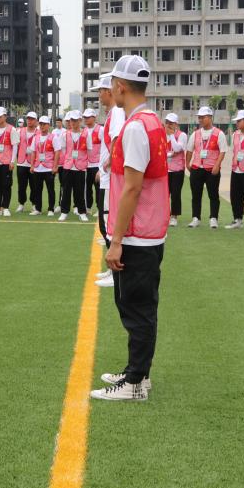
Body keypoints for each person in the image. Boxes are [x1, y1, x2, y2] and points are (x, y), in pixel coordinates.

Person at [92, 54, 167, 402]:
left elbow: (133, 188)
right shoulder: (150, 122)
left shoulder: (137, 127)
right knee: (136, 306)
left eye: (112, 84)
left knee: (136, 308)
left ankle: (135, 382)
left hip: (139, 233)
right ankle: (137, 372)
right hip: (147, 229)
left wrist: (116, 240)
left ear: (120, 86)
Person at [94, 74, 128, 287]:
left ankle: (116, 273)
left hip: (111, 179)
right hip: (107, 177)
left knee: (108, 223)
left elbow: (117, 139)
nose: (99, 95)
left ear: (109, 91)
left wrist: (108, 164)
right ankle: (112, 270)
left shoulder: (116, 112)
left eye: (100, 91)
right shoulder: (113, 113)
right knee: (105, 222)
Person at [185, 106, 227, 229]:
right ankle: (196, 218)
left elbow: (222, 151)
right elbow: (189, 150)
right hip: (197, 168)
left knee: (213, 195)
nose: (200, 120)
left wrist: (217, 165)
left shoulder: (219, 133)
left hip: (211, 169)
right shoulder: (195, 134)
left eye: (203, 117)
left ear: (210, 118)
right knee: (196, 195)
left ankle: (213, 218)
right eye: (199, 117)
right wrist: (187, 163)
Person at [58, 111, 90, 222]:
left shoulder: (86, 134)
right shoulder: (65, 134)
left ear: (80, 121)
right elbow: (63, 149)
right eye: (71, 120)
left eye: (75, 120)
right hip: (68, 166)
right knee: (66, 190)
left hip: (80, 167)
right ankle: (64, 212)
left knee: (80, 191)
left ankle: (82, 212)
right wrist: (69, 159)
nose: (73, 122)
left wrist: (83, 161)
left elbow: (89, 150)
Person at [29, 115, 59, 216]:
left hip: (49, 168)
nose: (42, 126)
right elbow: (33, 152)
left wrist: (55, 166)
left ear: (48, 125)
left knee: (50, 190)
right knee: (37, 189)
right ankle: (38, 209)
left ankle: (51, 209)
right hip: (38, 168)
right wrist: (32, 165)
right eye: (41, 124)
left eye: (44, 124)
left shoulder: (53, 137)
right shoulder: (36, 137)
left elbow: (57, 152)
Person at [164, 113, 187, 227]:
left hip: (177, 170)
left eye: (171, 123)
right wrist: (169, 154)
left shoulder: (182, 135)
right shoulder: (163, 135)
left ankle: (174, 216)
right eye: (167, 122)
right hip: (165, 169)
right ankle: (164, 215)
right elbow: (161, 151)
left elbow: (177, 148)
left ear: (176, 124)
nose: (168, 125)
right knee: (164, 194)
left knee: (175, 194)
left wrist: (172, 135)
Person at [15, 111, 39, 213]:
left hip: (34, 163)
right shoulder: (19, 131)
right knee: (21, 185)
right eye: (28, 119)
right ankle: (21, 204)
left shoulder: (39, 133)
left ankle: (34, 204)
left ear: (36, 121)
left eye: (32, 119)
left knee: (34, 185)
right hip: (21, 162)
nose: (29, 121)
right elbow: (16, 146)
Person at [82, 109, 103, 216]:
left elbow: (105, 148)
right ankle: (88, 207)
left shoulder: (101, 130)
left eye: (88, 117)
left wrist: (101, 166)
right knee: (87, 188)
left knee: (98, 188)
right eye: (85, 117)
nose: (86, 119)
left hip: (97, 165)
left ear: (94, 117)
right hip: (86, 164)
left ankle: (100, 208)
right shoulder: (83, 131)